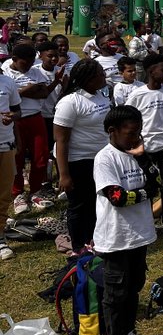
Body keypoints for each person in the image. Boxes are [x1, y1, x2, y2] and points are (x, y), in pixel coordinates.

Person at [93, 105, 161, 335]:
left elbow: (156, 184)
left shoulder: (137, 155)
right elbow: (117, 197)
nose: (137, 138)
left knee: (134, 287)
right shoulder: (105, 159)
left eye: (139, 132)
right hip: (116, 237)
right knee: (116, 292)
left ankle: (128, 334)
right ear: (113, 131)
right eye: (131, 133)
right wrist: (144, 193)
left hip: (139, 234)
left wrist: (143, 159)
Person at [55, 59, 111, 251]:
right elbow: (61, 141)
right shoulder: (70, 102)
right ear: (88, 78)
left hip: (101, 159)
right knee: (79, 206)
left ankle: (95, 241)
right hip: (79, 161)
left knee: (97, 203)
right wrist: (64, 174)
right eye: (100, 73)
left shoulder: (101, 96)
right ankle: (79, 247)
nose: (104, 76)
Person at [126, 54, 163, 245]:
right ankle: (146, 224)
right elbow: (128, 119)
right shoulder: (137, 95)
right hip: (146, 149)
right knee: (146, 187)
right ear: (151, 71)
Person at [4, 43, 60, 214]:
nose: (28, 67)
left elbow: (43, 93)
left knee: (40, 156)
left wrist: (20, 91)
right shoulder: (6, 71)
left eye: (30, 63)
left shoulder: (35, 71)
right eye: (24, 63)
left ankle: (35, 190)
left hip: (36, 117)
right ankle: (18, 193)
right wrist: (28, 89)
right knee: (17, 157)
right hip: (15, 120)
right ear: (14, 60)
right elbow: (8, 95)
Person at [0, 69, 22, 261]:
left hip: (5, 145)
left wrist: (11, 117)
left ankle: (0, 237)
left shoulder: (7, 82)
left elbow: (17, 110)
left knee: (4, 194)